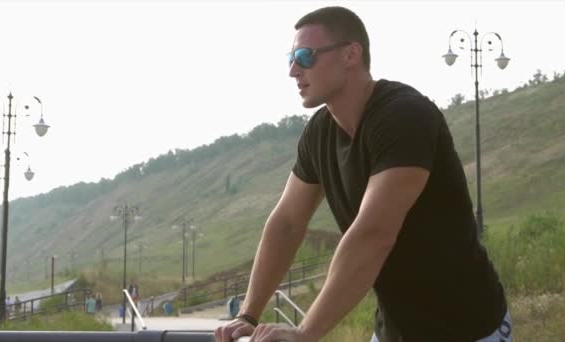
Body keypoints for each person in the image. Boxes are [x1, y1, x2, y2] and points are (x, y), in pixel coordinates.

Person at [215, 6, 511, 342]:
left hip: (467, 328)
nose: (293, 70)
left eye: (305, 56)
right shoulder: (319, 133)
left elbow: (374, 234)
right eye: (291, 58)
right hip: (393, 331)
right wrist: (248, 315)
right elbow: (286, 223)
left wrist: (304, 332)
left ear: (351, 54)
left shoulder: (403, 116)